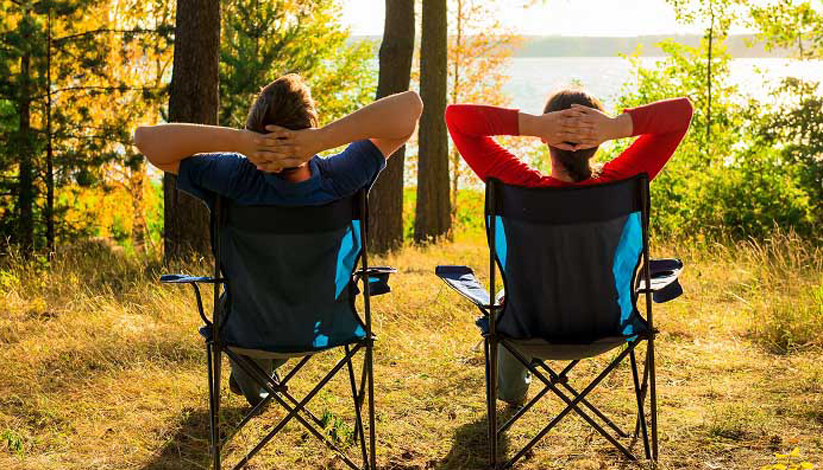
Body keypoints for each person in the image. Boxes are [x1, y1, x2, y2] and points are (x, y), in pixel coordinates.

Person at [135, 74, 423, 407]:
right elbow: (410, 109)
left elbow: (147, 141)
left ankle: (254, 375)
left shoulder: (234, 179)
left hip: (247, 330)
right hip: (325, 324)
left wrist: (241, 143)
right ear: (309, 127)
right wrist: (323, 140)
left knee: (248, 327)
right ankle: (256, 374)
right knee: (282, 321)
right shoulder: (341, 176)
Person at [445, 88, 693, 406]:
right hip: (606, 326)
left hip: (527, 327)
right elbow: (682, 111)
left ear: (546, 140)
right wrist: (615, 126)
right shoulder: (621, 183)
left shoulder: (518, 185)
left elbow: (456, 118)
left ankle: (512, 393)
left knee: (502, 302)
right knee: (511, 300)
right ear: (597, 142)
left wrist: (534, 125)